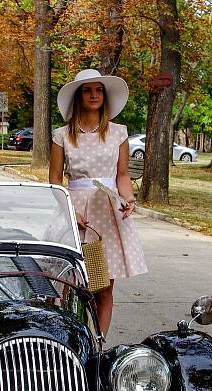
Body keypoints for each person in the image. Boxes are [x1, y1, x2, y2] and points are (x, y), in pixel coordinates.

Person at [49, 68, 148, 338]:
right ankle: (64, 341)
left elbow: (123, 175)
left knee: (102, 285)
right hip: (75, 213)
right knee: (66, 283)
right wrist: (70, 211)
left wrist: (128, 198)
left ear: (104, 95)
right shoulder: (62, 135)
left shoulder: (118, 133)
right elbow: (55, 180)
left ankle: (98, 345)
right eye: (87, 90)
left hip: (106, 214)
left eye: (98, 90)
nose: (93, 95)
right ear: (79, 96)